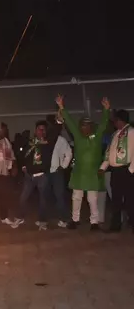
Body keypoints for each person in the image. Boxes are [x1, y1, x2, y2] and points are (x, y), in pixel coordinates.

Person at [57, 95, 110, 230]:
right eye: (82, 126)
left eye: (86, 126)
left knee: (92, 199)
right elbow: (69, 122)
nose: (83, 128)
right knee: (76, 197)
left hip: (93, 173)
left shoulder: (97, 137)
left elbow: (104, 124)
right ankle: (75, 219)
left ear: (91, 127)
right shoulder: (78, 136)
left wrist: (106, 110)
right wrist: (62, 107)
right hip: (79, 172)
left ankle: (94, 222)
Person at [13, 121, 55, 230]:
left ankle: (42, 221)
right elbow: (22, 154)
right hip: (29, 176)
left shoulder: (48, 143)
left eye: (43, 130)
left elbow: (56, 131)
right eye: (39, 129)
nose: (41, 131)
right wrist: (23, 166)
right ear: (35, 131)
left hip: (42, 176)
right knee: (23, 197)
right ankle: (20, 217)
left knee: (43, 199)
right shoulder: (30, 143)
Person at [100, 108, 134, 232]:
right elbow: (110, 153)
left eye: (115, 120)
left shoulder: (131, 132)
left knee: (130, 199)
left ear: (120, 120)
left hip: (126, 169)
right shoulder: (115, 134)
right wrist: (103, 167)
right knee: (116, 199)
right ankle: (115, 225)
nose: (114, 123)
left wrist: (131, 170)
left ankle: (132, 222)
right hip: (115, 171)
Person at [47, 114, 72, 228]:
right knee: (46, 195)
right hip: (46, 172)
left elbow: (69, 153)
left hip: (57, 172)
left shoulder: (61, 140)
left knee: (59, 195)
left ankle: (64, 218)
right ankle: (47, 218)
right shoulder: (45, 139)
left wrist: (63, 166)